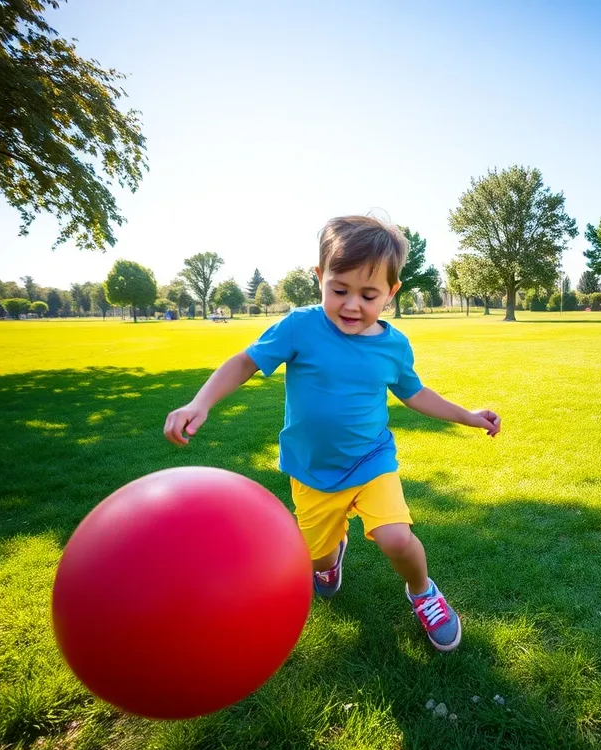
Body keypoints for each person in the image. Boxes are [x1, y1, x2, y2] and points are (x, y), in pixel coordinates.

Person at [163, 216, 501, 652]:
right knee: (318, 559)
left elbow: (414, 394)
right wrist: (200, 401)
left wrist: (469, 416)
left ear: (392, 293)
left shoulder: (393, 346)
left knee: (396, 537)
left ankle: (423, 591)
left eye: (369, 294)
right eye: (339, 290)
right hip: (312, 472)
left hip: (371, 461)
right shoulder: (299, 327)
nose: (352, 305)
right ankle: (332, 556)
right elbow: (245, 362)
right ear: (320, 278)